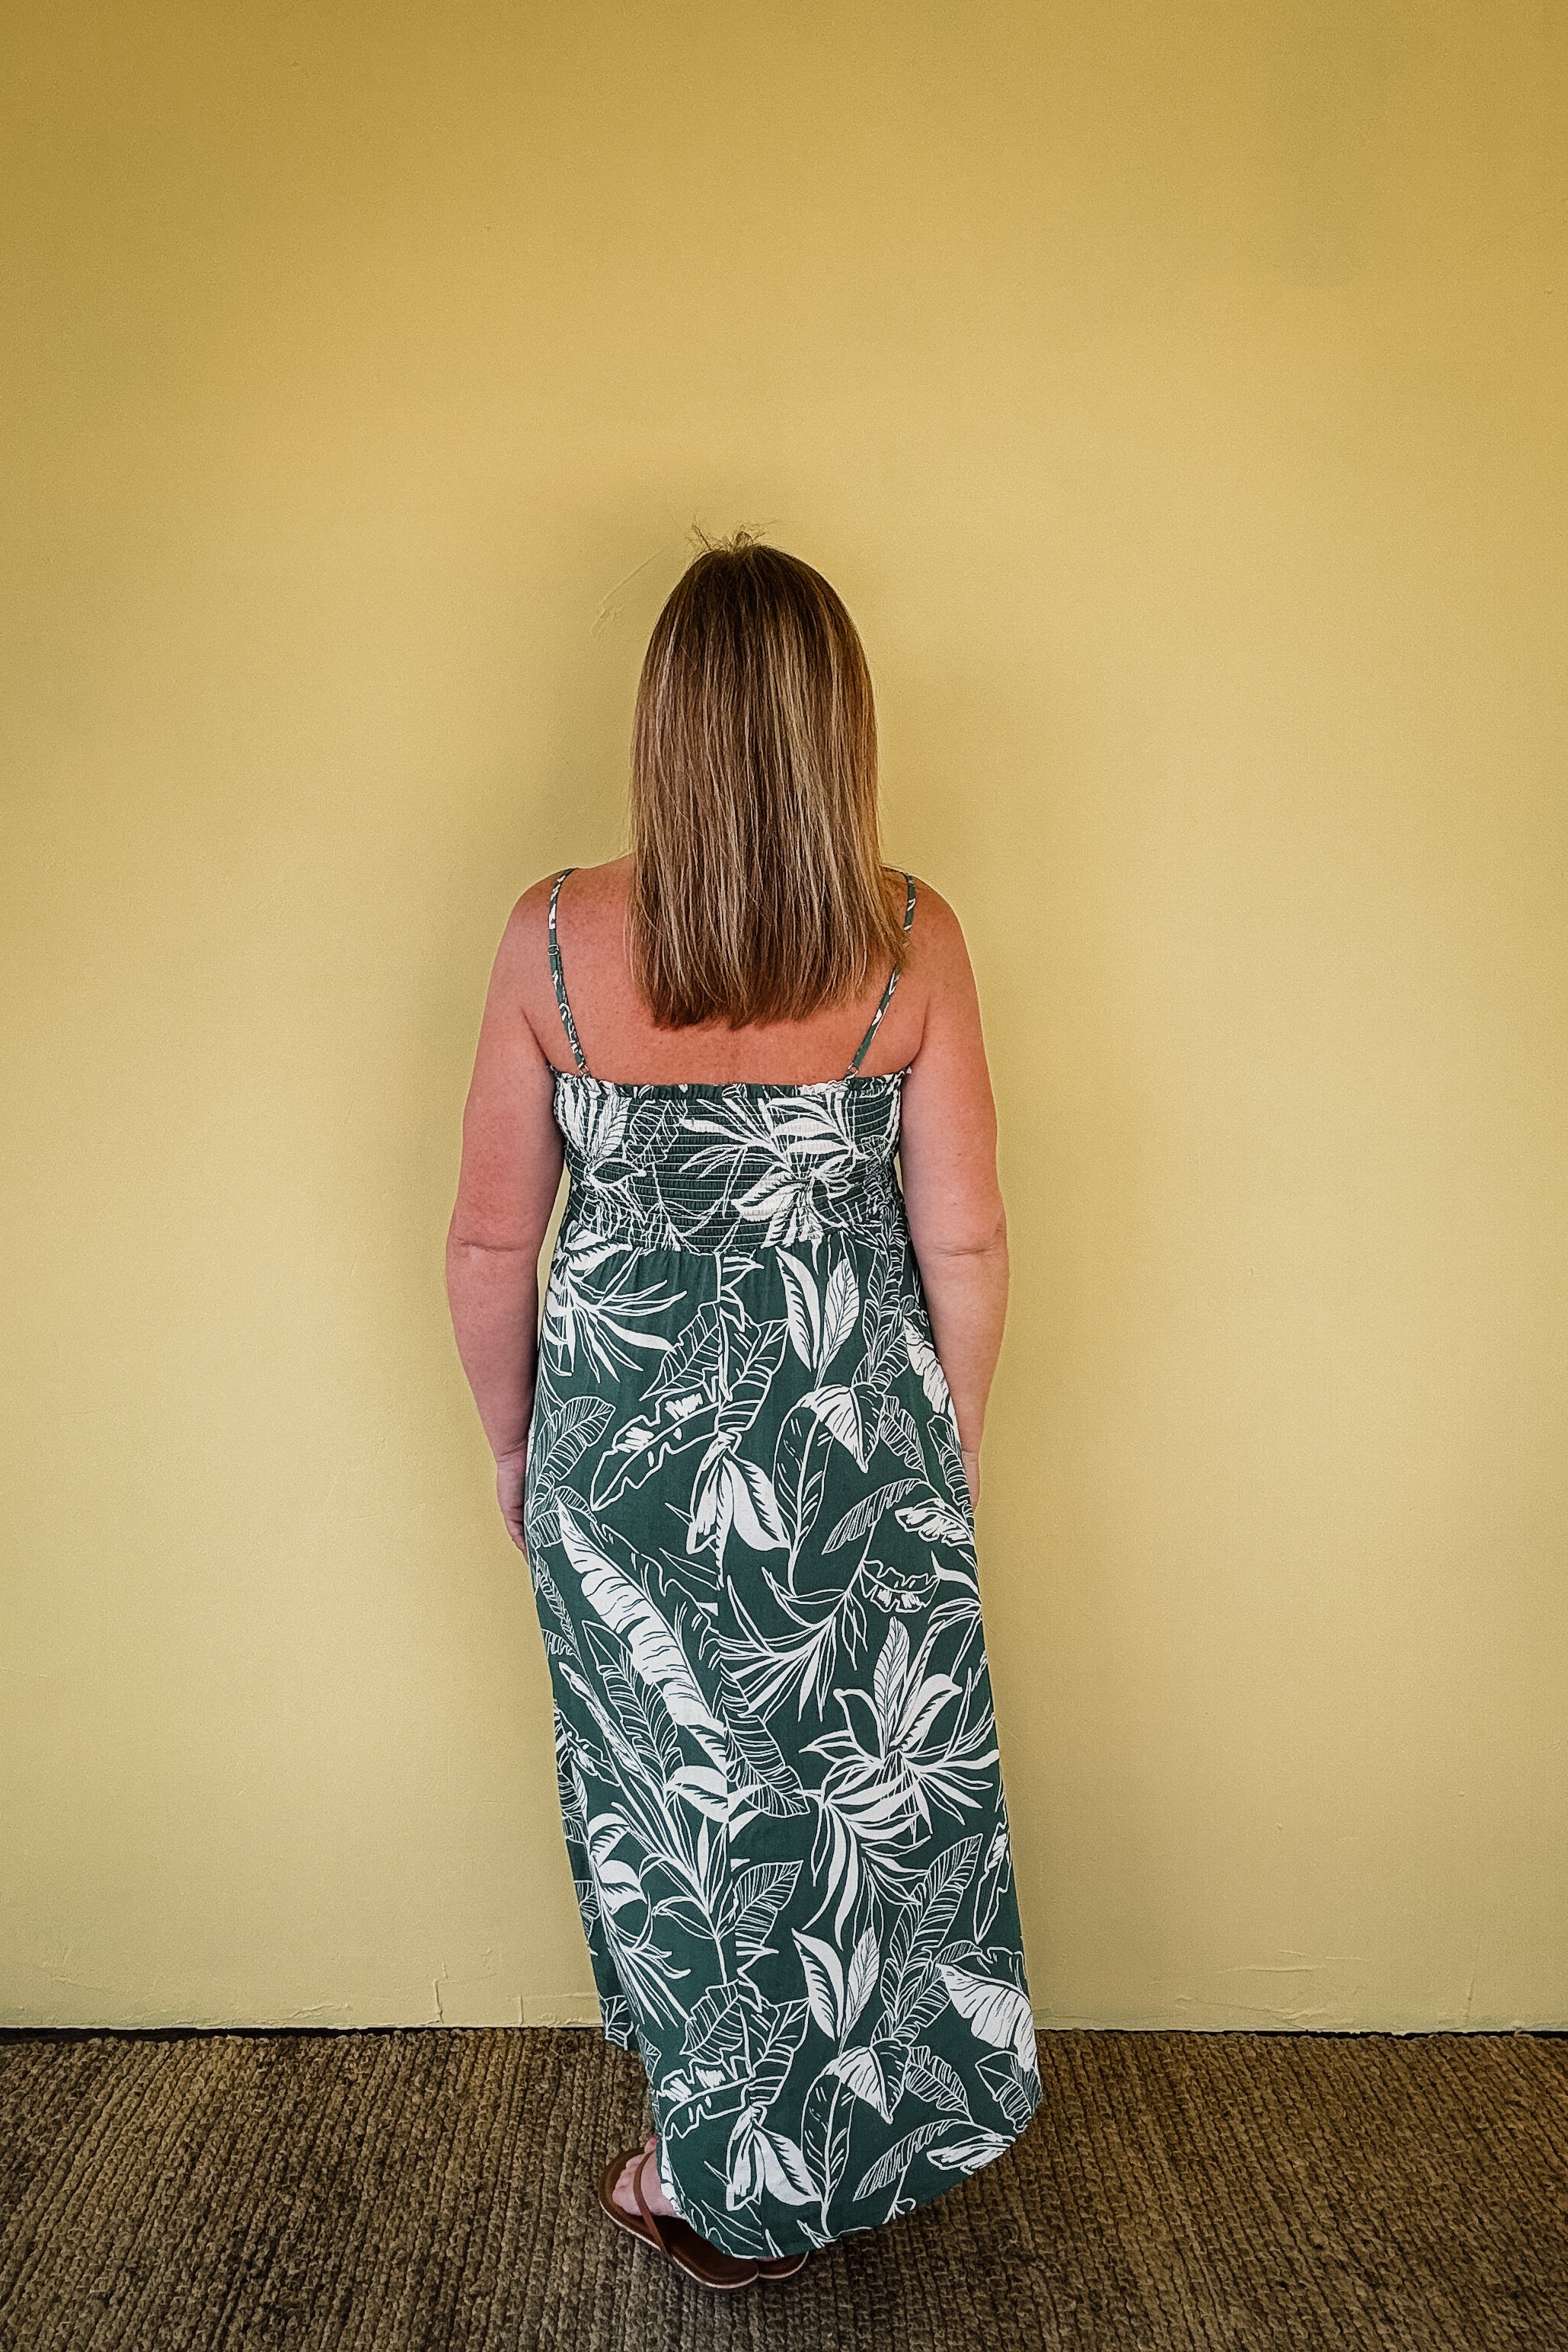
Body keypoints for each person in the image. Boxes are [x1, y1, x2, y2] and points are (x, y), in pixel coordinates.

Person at [445, 532, 1038, 2291]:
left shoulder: (554, 941)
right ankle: (832, 2150)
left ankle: (712, 2180)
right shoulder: (908, 940)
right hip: (848, 1449)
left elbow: (490, 1239)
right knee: (857, 1805)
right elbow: (965, 1234)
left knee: (686, 1816)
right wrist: (946, 1439)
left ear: (663, 726)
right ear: (838, 730)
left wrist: (514, 1440)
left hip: (626, 1457)